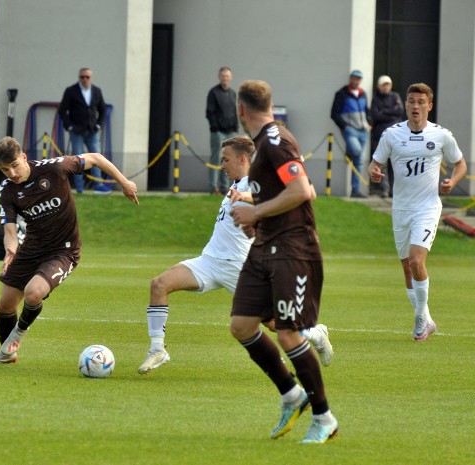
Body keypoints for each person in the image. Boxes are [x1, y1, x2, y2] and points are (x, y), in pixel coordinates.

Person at [138, 135, 334, 375]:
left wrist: (244, 197)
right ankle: (157, 349)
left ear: (242, 159)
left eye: (225, 160)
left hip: (239, 267)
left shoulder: (254, 182)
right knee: (159, 284)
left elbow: (270, 197)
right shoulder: (236, 183)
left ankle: (316, 334)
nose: (222, 165)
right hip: (209, 261)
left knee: (275, 323)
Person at [230, 80, 338, 444]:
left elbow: (303, 191)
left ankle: (324, 417)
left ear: (241, 110)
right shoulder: (263, 145)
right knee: (242, 325)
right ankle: (292, 395)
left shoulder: (276, 142)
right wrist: (256, 219)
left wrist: (255, 211)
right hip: (265, 247)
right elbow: (284, 194)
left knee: (289, 332)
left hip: (293, 250)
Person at [0, 136, 138, 365]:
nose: (12, 174)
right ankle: (8, 354)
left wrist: (124, 182)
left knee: (34, 293)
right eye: (5, 170)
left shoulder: (54, 168)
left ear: (24, 157)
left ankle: (13, 342)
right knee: (5, 304)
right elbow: (11, 232)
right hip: (31, 248)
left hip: (63, 251)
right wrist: (10, 252)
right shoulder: (7, 190)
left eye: (14, 165)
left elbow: (96, 157)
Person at [369, 82, 466, 341]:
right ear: (406, 105)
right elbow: (375, 163)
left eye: (420, 102)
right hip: (401, 208)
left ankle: (421, 317)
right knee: (407, 268)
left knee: (416, 261)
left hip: (427, 208)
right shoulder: (392, 135)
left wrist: (452, 182)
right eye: (411, 101)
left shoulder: (441, 135)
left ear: (429, 107)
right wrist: (375, 172)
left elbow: (460, 164)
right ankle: (427, 319)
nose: (415, 106)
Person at [58, 67, 111, 194]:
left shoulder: (96, 91)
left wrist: (99, 125)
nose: (84, 79)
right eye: (82, 77)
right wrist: (69, 126)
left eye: (87, 77)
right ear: (79, 78)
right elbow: (62, 110)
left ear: (90, 78)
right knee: (78, 159)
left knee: (97, 157)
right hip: (76, 130)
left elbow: (103, 109)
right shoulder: (71, 91)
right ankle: (79, 186)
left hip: (92, 130)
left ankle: (98, 185)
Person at [331, 69, 372, 198]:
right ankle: (349, 151)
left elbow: (367, 111)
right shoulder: (341, 94)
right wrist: (345, 126)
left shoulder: (363, 94)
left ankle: (355, 190)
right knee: (357, 151)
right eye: (354, 78)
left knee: (359, 161)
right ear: (350, 78)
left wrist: (369, 123)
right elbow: (334, 113)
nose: (356, 81)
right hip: (350, 130)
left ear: (360, 81)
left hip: (363, 130)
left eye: (358, 79)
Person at [206, 66, 239, 195]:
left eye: (227, 76)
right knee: (216, 159)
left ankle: (224, 187)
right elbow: (209, 112)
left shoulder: (232, 93)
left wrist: (236, 127)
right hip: (217, 132)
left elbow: (234, 111)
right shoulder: (213, 93)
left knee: (228, 159)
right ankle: (213, 188)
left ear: (230, 78)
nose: (225, 78)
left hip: (231, 131)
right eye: (223, 76)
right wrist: (215, 127)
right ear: (220, 77)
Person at [370, 75, 404, 197]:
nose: (386, 87)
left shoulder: (395, 96)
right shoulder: (375, 99)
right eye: (383, 84)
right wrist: (391, 114)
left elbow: (399, 111)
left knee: (394, 164)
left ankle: (394, 191)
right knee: (381, 164)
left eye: (388, 84)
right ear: (378, 86)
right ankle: (384, 189)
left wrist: (384, 111)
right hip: (379, 136)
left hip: (396, 137)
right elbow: (375, 115)